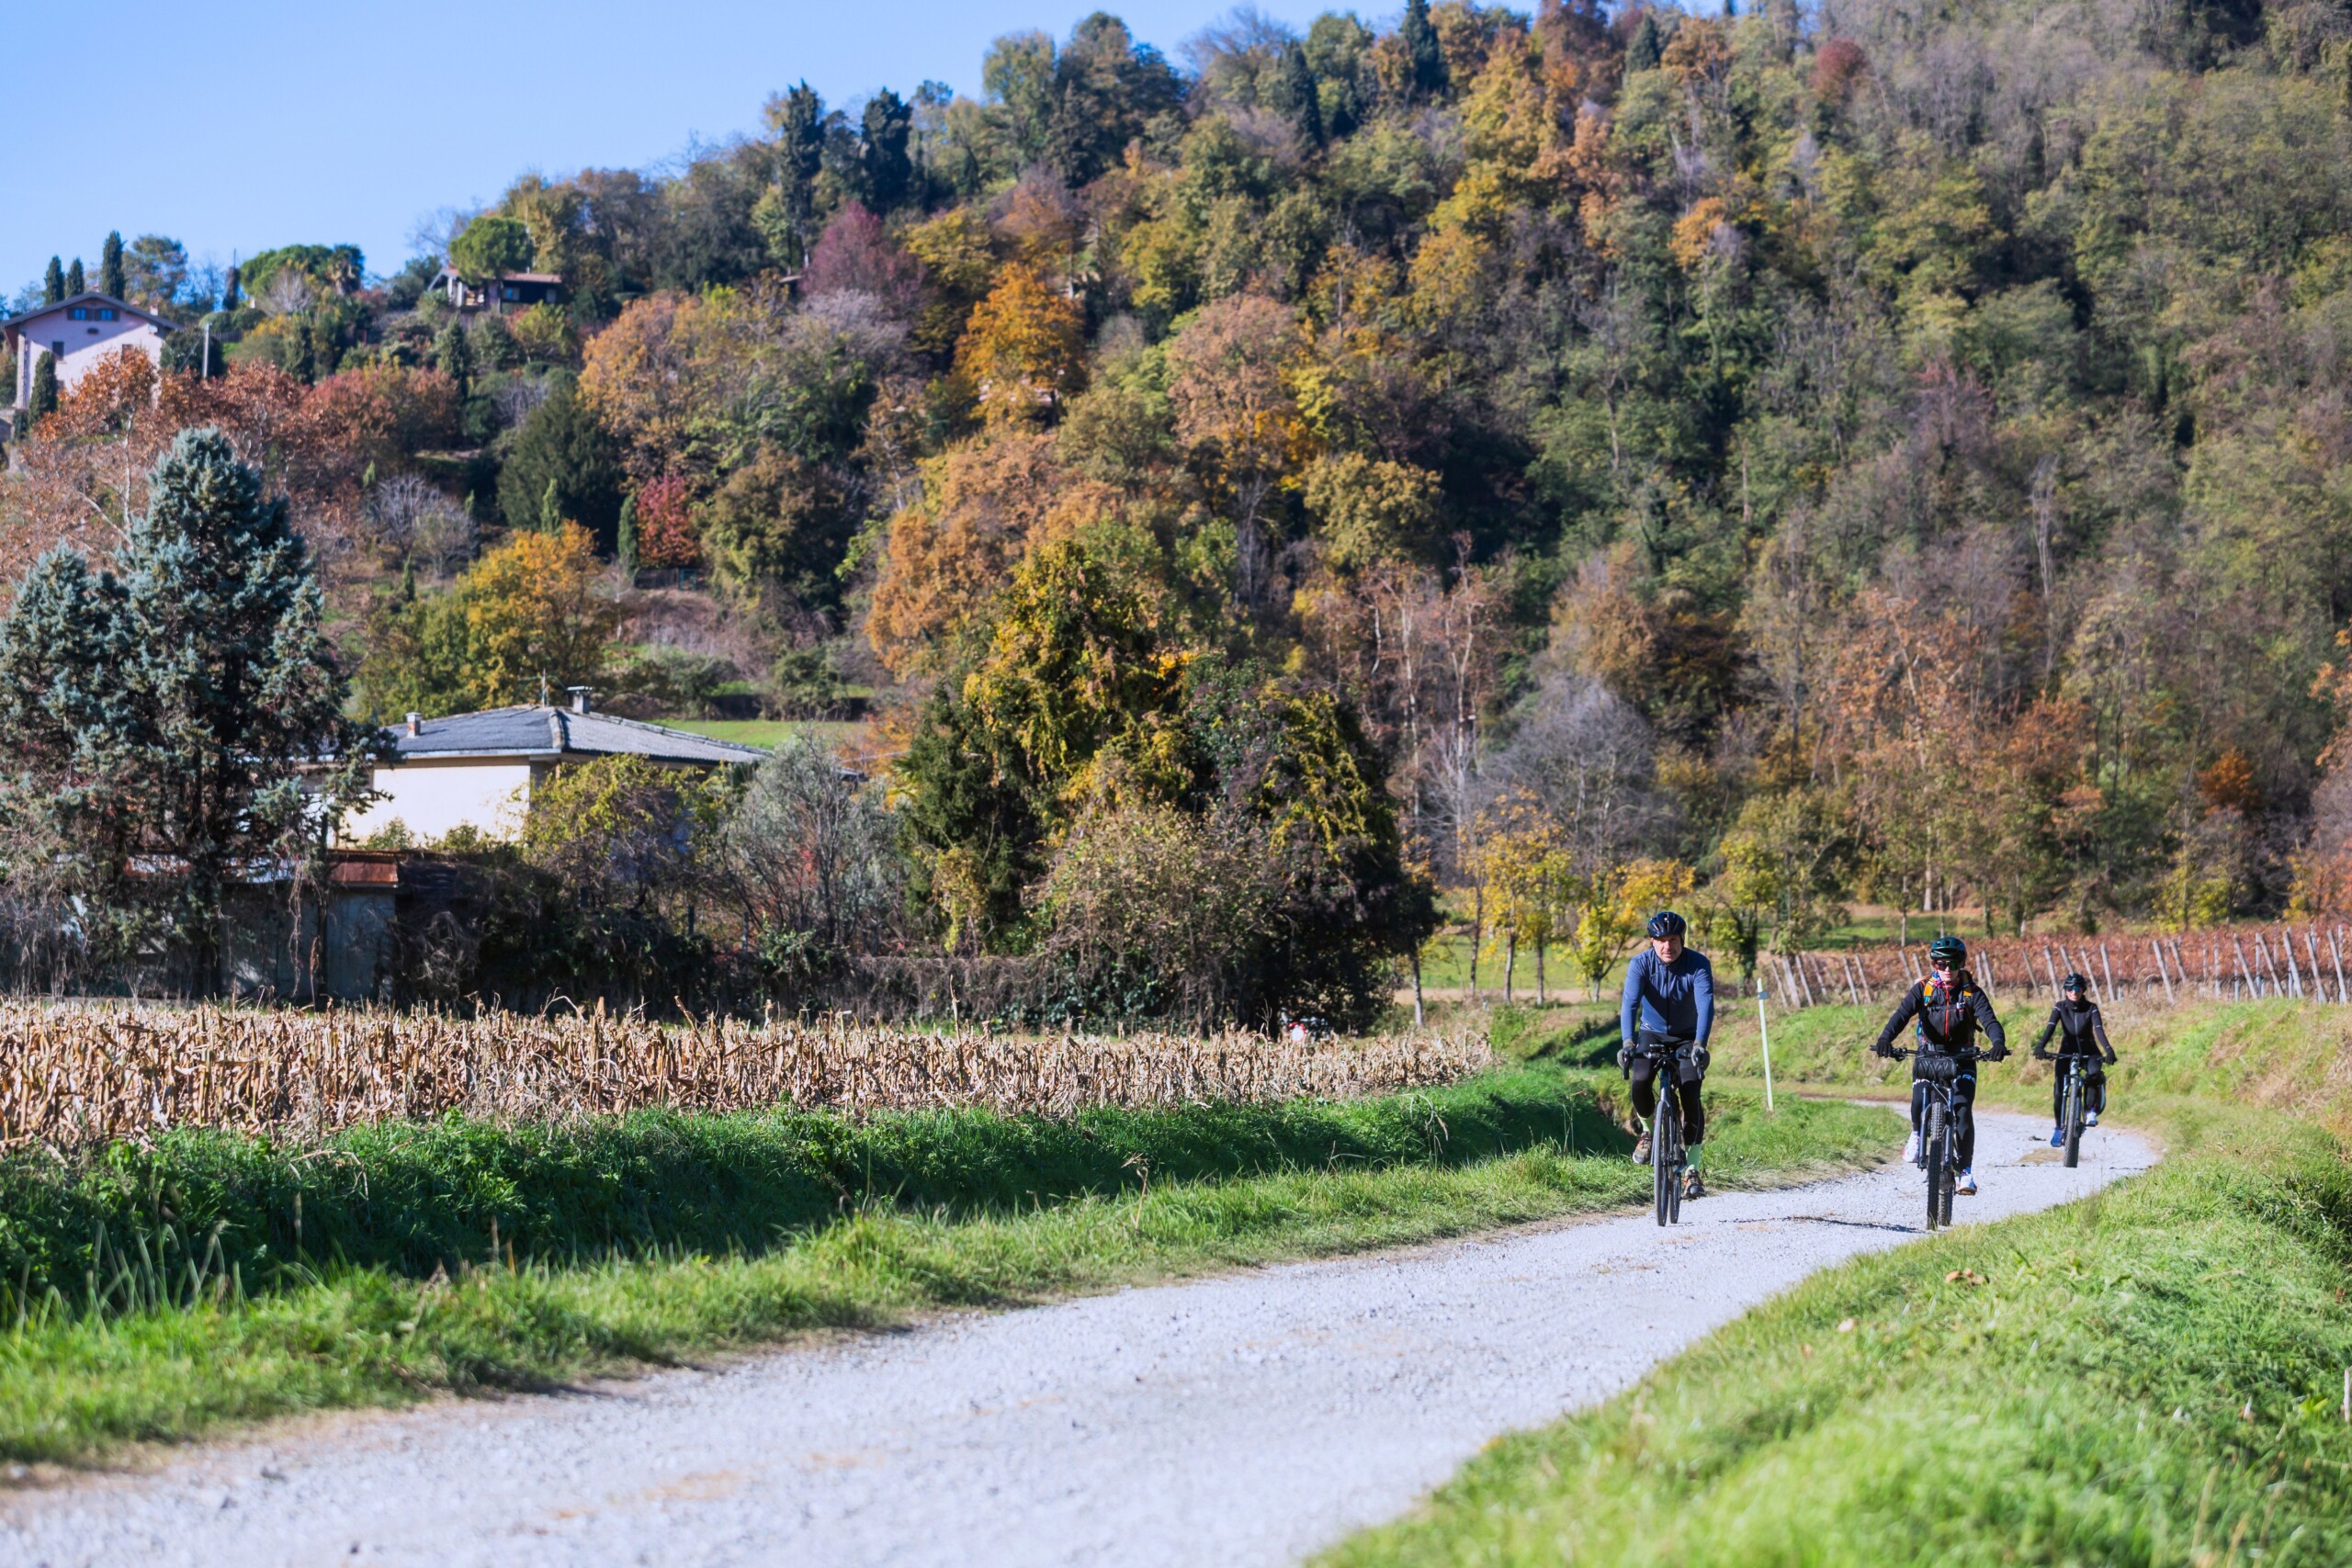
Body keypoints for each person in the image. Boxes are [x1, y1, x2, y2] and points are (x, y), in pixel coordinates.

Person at [1871, 934, 2008, 1195]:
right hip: (1929, 1054)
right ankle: (1917, 1134)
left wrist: (1998, 1043)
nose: (1947, 969)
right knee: (1919, 1099)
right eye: (1940, 963)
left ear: (1961, 964)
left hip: (1963, 1056)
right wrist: (1885, 1039)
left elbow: (1990, 1021)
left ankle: (1965, 1173)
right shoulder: (1923, 989)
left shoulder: (1972, 993)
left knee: (1963, 1109)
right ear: (1934, 964)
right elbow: (1901, 1015)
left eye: (1953, 964)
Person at [1618, 910, 1714, 1200]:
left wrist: (1700, 1044)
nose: (1667, 946)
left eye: (1672, 940)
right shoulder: (1640, 964)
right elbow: (1630, 1004)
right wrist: (1627, 1042)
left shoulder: (1698, 964)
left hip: (1688, 1037)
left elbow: (1705, 1004)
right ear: (1652, 941)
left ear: (1682, 939)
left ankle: (1692, 1171)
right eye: (1660, 940)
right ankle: (1648, 1133)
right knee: (1640, 1079)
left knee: (1690, 1092)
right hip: (1652, 1033)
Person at [2032, 974, 2116, 1145]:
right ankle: (2059, 1127)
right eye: (2069, 988)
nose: (2073, 992)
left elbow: (2099, 1030)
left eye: (2077, 988)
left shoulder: (2091, 1008)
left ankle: (2090, 1110)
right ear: (2065, 990)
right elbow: (2050, 1028)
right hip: (2067, 1050)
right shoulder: (2060, 1007)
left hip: (2089, 1050)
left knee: (2094, 1074)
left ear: (2083, 990)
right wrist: (2040, 1046)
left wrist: (2109, 1050)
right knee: (2058, 1090)